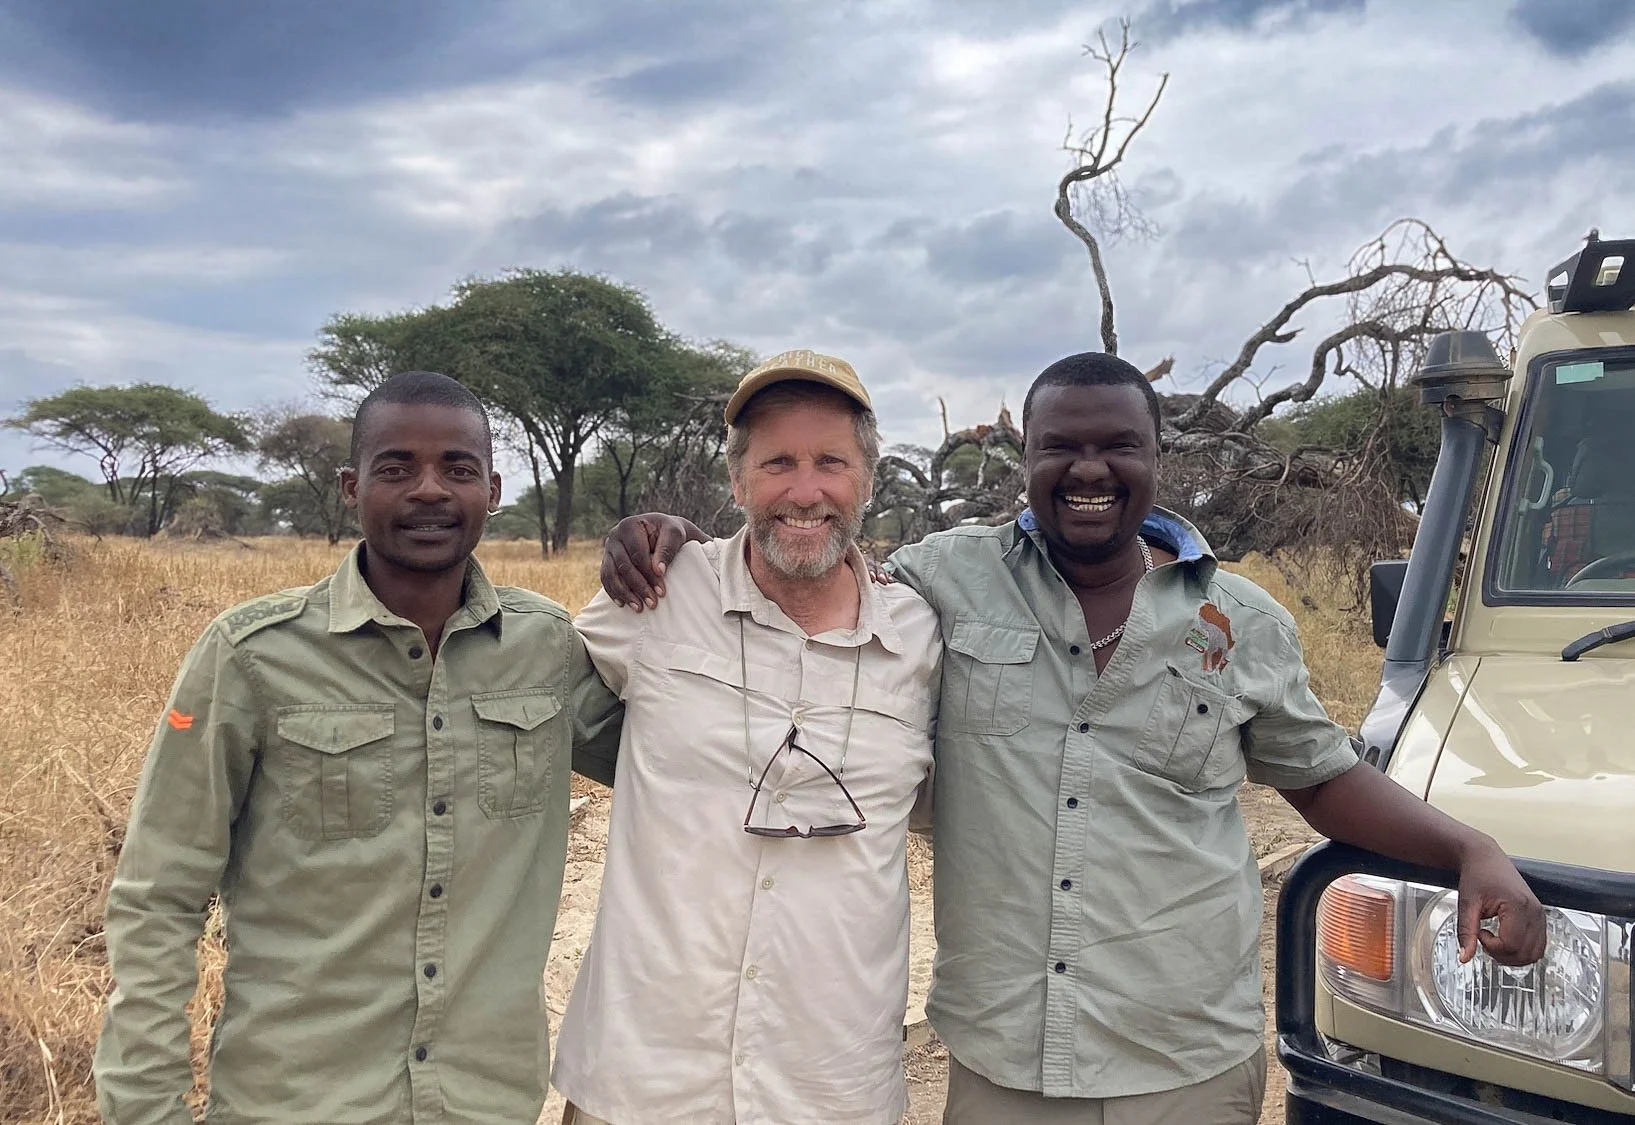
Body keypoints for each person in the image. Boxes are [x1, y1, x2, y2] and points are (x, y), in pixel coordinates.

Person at [597, 351, 1548, 1125]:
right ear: (1026, 459)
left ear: (1157, 456)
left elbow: (1321, 777)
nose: (1088, 470)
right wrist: (683, 544)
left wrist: (1467, 847)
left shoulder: (1241, 621)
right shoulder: (941, 581)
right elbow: (810, 571)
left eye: (1117, 445)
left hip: (1184, 1058)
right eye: (1059, 446)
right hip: (1004, 1061)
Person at [94, 372, 624, 1125]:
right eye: (397, 467)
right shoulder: (251, 656)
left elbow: (681, 765)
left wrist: (690, 570)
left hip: (485, 1103)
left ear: (493, 489)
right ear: (351, 486)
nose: (429, 489)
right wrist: (145, 1107)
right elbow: (158, 896)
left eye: (457, 468)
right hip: (293, 1103)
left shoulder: (546, 648)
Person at [552, 350, 941, 1125]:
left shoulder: (921, 636)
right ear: (736, 481)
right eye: (777, 463)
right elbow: (523, 696)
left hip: (830, 1083)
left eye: (830, 461)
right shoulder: (656, 593)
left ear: (867, 479)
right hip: (642, 1078)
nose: (805, 490)